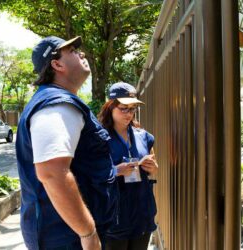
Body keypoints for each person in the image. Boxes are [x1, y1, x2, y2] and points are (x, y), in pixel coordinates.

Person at [15, 36, 122, 250]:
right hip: (68, 237)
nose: (81, 54)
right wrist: (88, 233)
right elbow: (52, 173)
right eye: (72, 51)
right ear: (56, 64)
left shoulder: (57, 101)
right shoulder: (56, 105)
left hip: (66, 234)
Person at [98, 82, 159, 250]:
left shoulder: (143, 136)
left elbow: (154, 167)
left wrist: (152, 167)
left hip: (142, 214)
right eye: (123, 108)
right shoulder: (99, 139)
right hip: (115, 217)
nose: (129, 113)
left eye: (132, 109)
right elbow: (90, 174)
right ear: (110, 107)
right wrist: (115, 171)